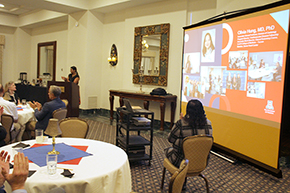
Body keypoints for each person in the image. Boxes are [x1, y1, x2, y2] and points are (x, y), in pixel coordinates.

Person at [165, 99, 213, 168]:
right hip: (201, 162)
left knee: (168, 150)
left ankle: (176, 175)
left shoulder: (181, 123)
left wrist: (181, 120)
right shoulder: (208, 123)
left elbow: (170, 139)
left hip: (182, 162)